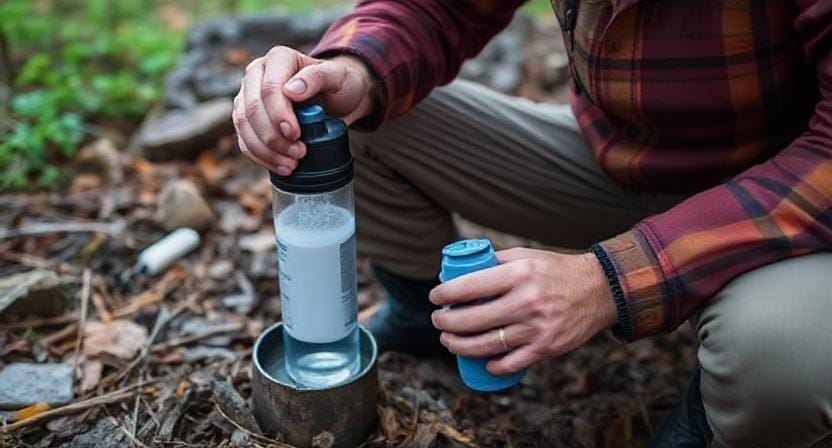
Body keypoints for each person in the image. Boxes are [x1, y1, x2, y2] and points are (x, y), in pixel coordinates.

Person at [231, 1, 832, 446]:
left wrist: (610, 282)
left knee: (778, 361)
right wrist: (353, 67)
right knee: (356, 121)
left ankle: (711, 423)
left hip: (788, 202)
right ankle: (422, 314)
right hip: (628, 165)